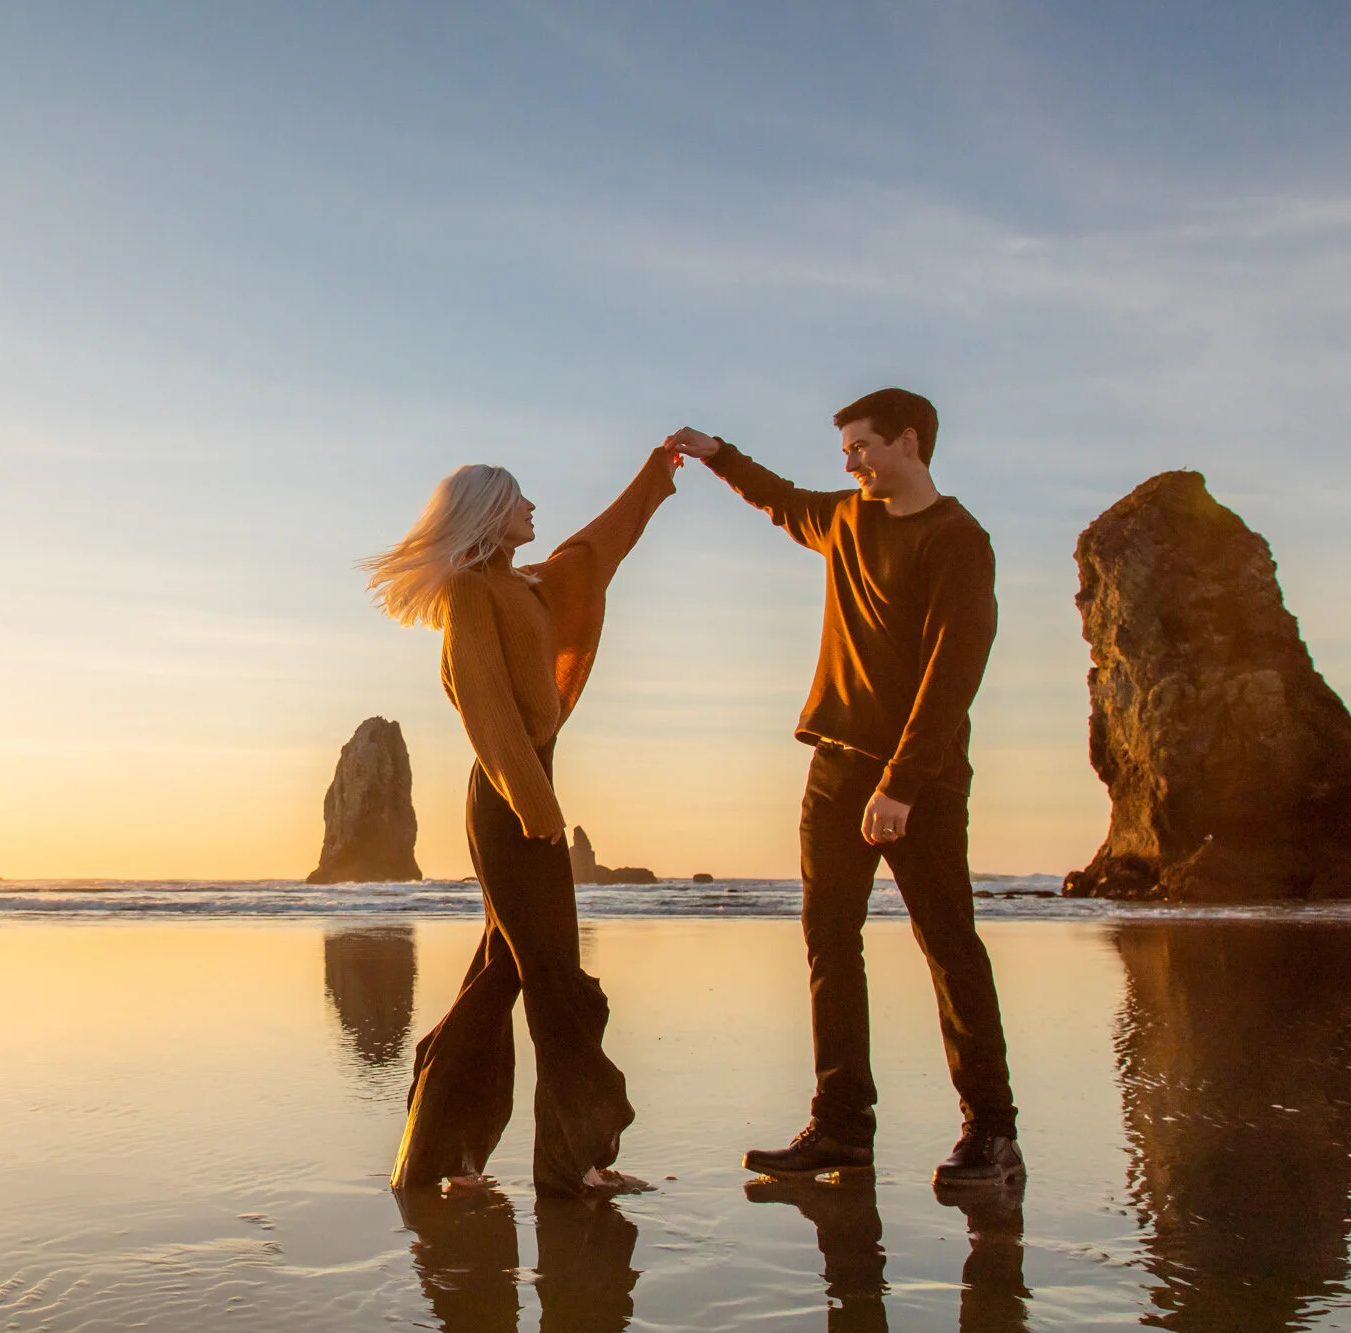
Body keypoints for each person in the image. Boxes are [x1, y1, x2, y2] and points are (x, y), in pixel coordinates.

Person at [666, 388, 1023, 1188]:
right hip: (833, 768)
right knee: (830, 943)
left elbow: (953, 671)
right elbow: (779, 499)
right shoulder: (843, 520)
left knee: (949, 947)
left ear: (909, 441)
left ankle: (992, 1134)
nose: (852, 462)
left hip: (918, 779)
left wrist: (900, 782)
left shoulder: (959, 540)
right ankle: (841, 1128)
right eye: (846, 453)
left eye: (862, 447)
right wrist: (716, 452)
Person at [367, 445, 679, 1198]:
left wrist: (655, 473)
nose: (534, 508)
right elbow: (487, 708)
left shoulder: (530, 584)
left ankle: (441, 1158)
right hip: (510, 805)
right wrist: (536, 806)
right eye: (518, 501)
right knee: (554, 981)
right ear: (488, 519)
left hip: (527, 794)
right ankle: (573, 1166)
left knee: (502, 973)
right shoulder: (472, 595)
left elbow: (596, 546)